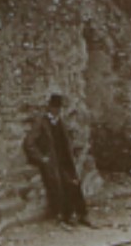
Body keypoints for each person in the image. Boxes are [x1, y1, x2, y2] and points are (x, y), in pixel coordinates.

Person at [23, 92, 92, 227]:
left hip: (65, 160)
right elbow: (29, 143)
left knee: (74, 183)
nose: (57, 111)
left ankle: (82, 214)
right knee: (59, 186)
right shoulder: (41, 122)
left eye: (59, 108)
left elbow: (66, 141)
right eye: (55, 108)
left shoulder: (60, 122)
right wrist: (42, 158)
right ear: (49, 107)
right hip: (52, 162)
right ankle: (64, 217)